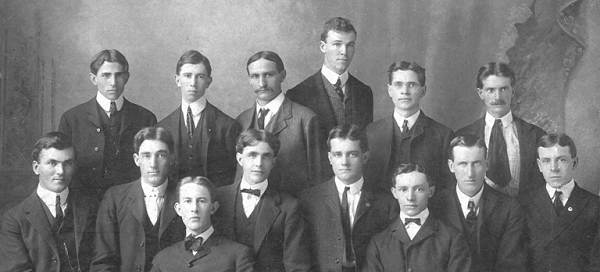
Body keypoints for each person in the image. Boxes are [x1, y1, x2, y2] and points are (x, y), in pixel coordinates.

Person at [58, 49, 157, 199]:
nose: (113, 82)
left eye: (118, 75)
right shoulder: (72, 119)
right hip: (85, 204)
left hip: (129, 203)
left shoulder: (145, 118)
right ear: (93, 79)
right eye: (105, 75)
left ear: (126, 77)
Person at [300, 124, 397, 272]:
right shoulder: (310, 200)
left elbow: (391, 254)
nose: (344, 162)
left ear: (365, 157)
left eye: (352, 154)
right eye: (338, 154)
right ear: (329, 158)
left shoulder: (385, 202)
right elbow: (302, 254)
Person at [288, 17, 373, 180]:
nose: (344, 52)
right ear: (323, 46)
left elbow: (365, 146)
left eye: (350, 45)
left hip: (356, 185)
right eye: (337, 44)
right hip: (317, 187)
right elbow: (298, 155)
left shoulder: (364, 93)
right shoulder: (298, 94)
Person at [214, 129, 311, 272]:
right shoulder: (219, 198)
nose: (259, 163)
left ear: (273, 162)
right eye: (252, 155)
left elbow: (297, 267)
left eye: (266, 156)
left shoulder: (289, 207)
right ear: (240, 159)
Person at [0, 132, 98, 272]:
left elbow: (102, 261)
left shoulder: (92, 208)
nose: (60, 171)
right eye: (52, 163)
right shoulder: (14, 219)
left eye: (68, 163)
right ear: (36, 168)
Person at [91, 127, 185, 272]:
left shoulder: (185, 196)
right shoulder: (115, 198)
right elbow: (103, 262)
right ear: (137, 160)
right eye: (146, 156)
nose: (153, 164)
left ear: (171, 159)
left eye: (161, 155)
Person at [430, 135, 527, 272]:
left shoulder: (509, 208)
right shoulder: (435, 206)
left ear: (486, 165)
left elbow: (510, 264)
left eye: (476, 163)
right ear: (451, 166)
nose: (470, 173)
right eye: (463, 164)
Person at [236, 51, 321, 196]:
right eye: (255, 76)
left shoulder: (305, 119)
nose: (262, 83)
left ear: (282, 75)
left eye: (268, 75)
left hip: (293, 211)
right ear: (249, 79)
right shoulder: (241, 121)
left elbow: (318, 178)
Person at [456, 62, 546, 197]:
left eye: (503, 89)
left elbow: (542, 187)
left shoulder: (535, 136)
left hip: (523, 214)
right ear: (480, 93)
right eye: (490, 90)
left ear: (513, 91)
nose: (497, 97)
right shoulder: (462, 136)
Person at [362, 163, 471, 272]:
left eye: (419, 189)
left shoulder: (452, 239)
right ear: (394, 193)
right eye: (403, 189)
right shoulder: (378, 243)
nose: (410, 197)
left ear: (430, 191)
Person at [366, 61, 454, 192]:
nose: (405, 92)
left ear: (423, 90)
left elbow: (447, 186)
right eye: (398, 85)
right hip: (381, 211)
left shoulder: (443, 135)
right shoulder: (371, 133)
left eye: (412, 85)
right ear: (390, 90)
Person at [158, 50, 241, 186]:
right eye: (187, 76)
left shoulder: (227, 126)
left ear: (209, 81)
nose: (193, 83)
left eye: (200, 76)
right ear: (177, 80)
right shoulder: (162, 127)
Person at [520, 133, 600, 271]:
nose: (554, 168)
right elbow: (517, 261)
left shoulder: (594, 205)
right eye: (546, 161)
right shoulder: (523, 204)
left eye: (561, 160)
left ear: (574, 163)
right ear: (539, 165)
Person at [151, 176, 254, 272]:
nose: (194, 209)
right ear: (178, 209)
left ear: (213, 207)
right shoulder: (162, 259)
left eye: (201, 201)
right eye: (188, 201)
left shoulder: (238, 255)